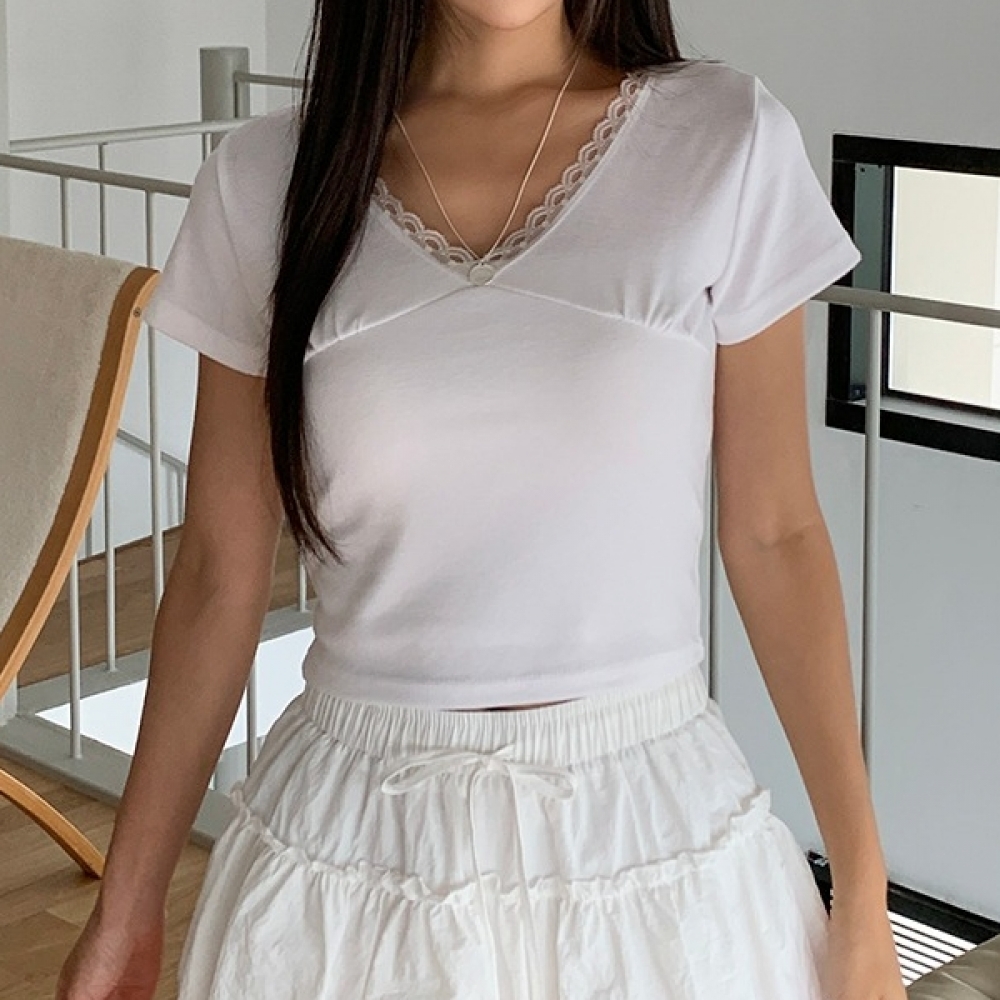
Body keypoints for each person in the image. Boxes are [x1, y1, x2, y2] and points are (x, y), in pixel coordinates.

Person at [56, 2, 908, 998]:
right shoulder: (262, 181)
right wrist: (127, 904)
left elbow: (775, 533)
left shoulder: (725, 140)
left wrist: (863, 890)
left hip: (654, 852)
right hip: (349, 864)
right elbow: (215, 574)